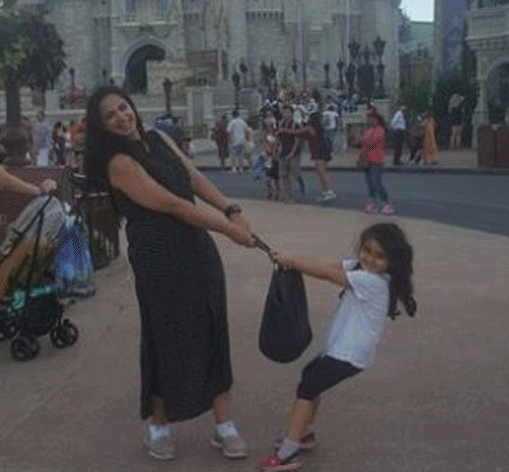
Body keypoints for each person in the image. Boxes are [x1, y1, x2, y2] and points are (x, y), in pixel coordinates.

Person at [82, 86, 255, 462]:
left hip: (196, 248)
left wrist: (231, 208)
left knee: (212, 327)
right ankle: (158, 425)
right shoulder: (118, 163)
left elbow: (192, 178)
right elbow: (173, 205)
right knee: (165, 335)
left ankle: (224, 424)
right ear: (102, 127)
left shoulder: (159, 138)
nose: (122, 117)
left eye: (123, 108)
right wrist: (229, 230)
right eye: (110, 116)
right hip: (157, 256)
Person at [257, 223, 417, 471]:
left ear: (392, 262)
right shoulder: (359, 267)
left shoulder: (373, 281)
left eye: (380, 256)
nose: (370, 259)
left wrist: (292, 261)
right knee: (310, 378)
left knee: (307, 388)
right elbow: (328, 265)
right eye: (367, 250)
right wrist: (291, 258)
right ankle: (305, 433)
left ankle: (288, 451)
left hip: (348, 355)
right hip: (340, 350)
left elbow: (327, 274)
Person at [281, 112, 335, 203]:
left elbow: (295, 132)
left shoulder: (309, 128)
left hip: (318, 151)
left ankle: (328, 191)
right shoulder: (318, 128)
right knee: (323, 171)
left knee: (321, 172)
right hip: (323, 150)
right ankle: (326, 191)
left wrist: (284, 130)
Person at [361, 108, 393, 215]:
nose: (367, 120)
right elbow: (363, 145)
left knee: (377, 183)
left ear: (375, 119)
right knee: (370, 183)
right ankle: (372, 202)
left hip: (377, 159)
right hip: (367, 160)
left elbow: (372, 142)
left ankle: (386, 204)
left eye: (369, 118)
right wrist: (361, 158)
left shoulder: (380, 130)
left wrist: (365, 140)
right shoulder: (367, 131)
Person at [278, 104, 305, 202]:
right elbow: (278, 138)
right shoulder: (281, 124)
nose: (285, 114)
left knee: (295, 172)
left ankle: (300, 181)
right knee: (284, 174)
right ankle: (287, 195)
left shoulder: (294, 124)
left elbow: (297, 139)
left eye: (287, 112)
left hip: (293, 151)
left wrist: (292, 153)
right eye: (284, 112)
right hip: (283, 151)